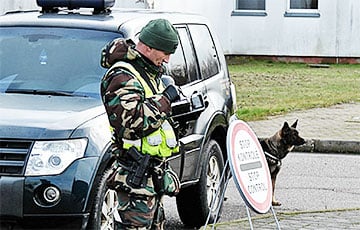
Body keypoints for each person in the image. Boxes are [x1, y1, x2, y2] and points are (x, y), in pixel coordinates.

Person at [100, 18, 181, 229]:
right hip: (134, 179)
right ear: (149, 46)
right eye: (165, 52)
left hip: (152, 178)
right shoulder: (123, 76)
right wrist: (165, 100)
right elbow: (131, 123)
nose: (168, 59)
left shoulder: (149, 73)